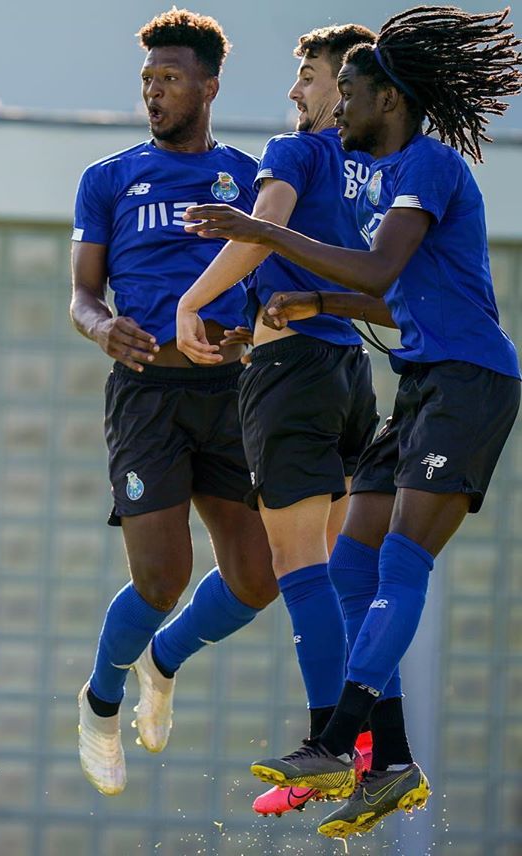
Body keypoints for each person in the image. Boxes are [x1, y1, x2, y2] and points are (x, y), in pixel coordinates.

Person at [183, 5, 521, 838]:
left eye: (354, 97)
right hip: (422, 386)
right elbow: (391, 297)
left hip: (472, 385)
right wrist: (317, 300)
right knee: (350, 566)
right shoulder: (388, 172)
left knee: (401, 566)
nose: (339, 112)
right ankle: (394, 764)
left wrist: (260, 230)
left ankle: (338, 742)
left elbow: (381, 266)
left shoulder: (430, 169)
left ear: (388, 102)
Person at [173, 23, 382, 817]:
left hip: (290, 375)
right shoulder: (376, 164)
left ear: (345, 85)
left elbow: (265, 228)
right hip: (350, 379)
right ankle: (362, 753)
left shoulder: (295, 152)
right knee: (336, 574)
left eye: (308, 77)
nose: (295, 92)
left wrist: (196, 298)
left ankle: (328, 748)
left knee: (302, 572)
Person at [70, 8, 276, 797]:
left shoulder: (251, 178)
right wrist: (102, 330)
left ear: (209, 86)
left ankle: (164, 660)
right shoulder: (109, 178)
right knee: (161, 579)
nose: (154, 93)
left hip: (231, 392)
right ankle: (98, 702)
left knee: (258, 578)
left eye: (170, 79)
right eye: (147, 80)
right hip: (148, 393)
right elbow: (83, 297)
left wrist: (249, 336)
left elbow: (270, 281)